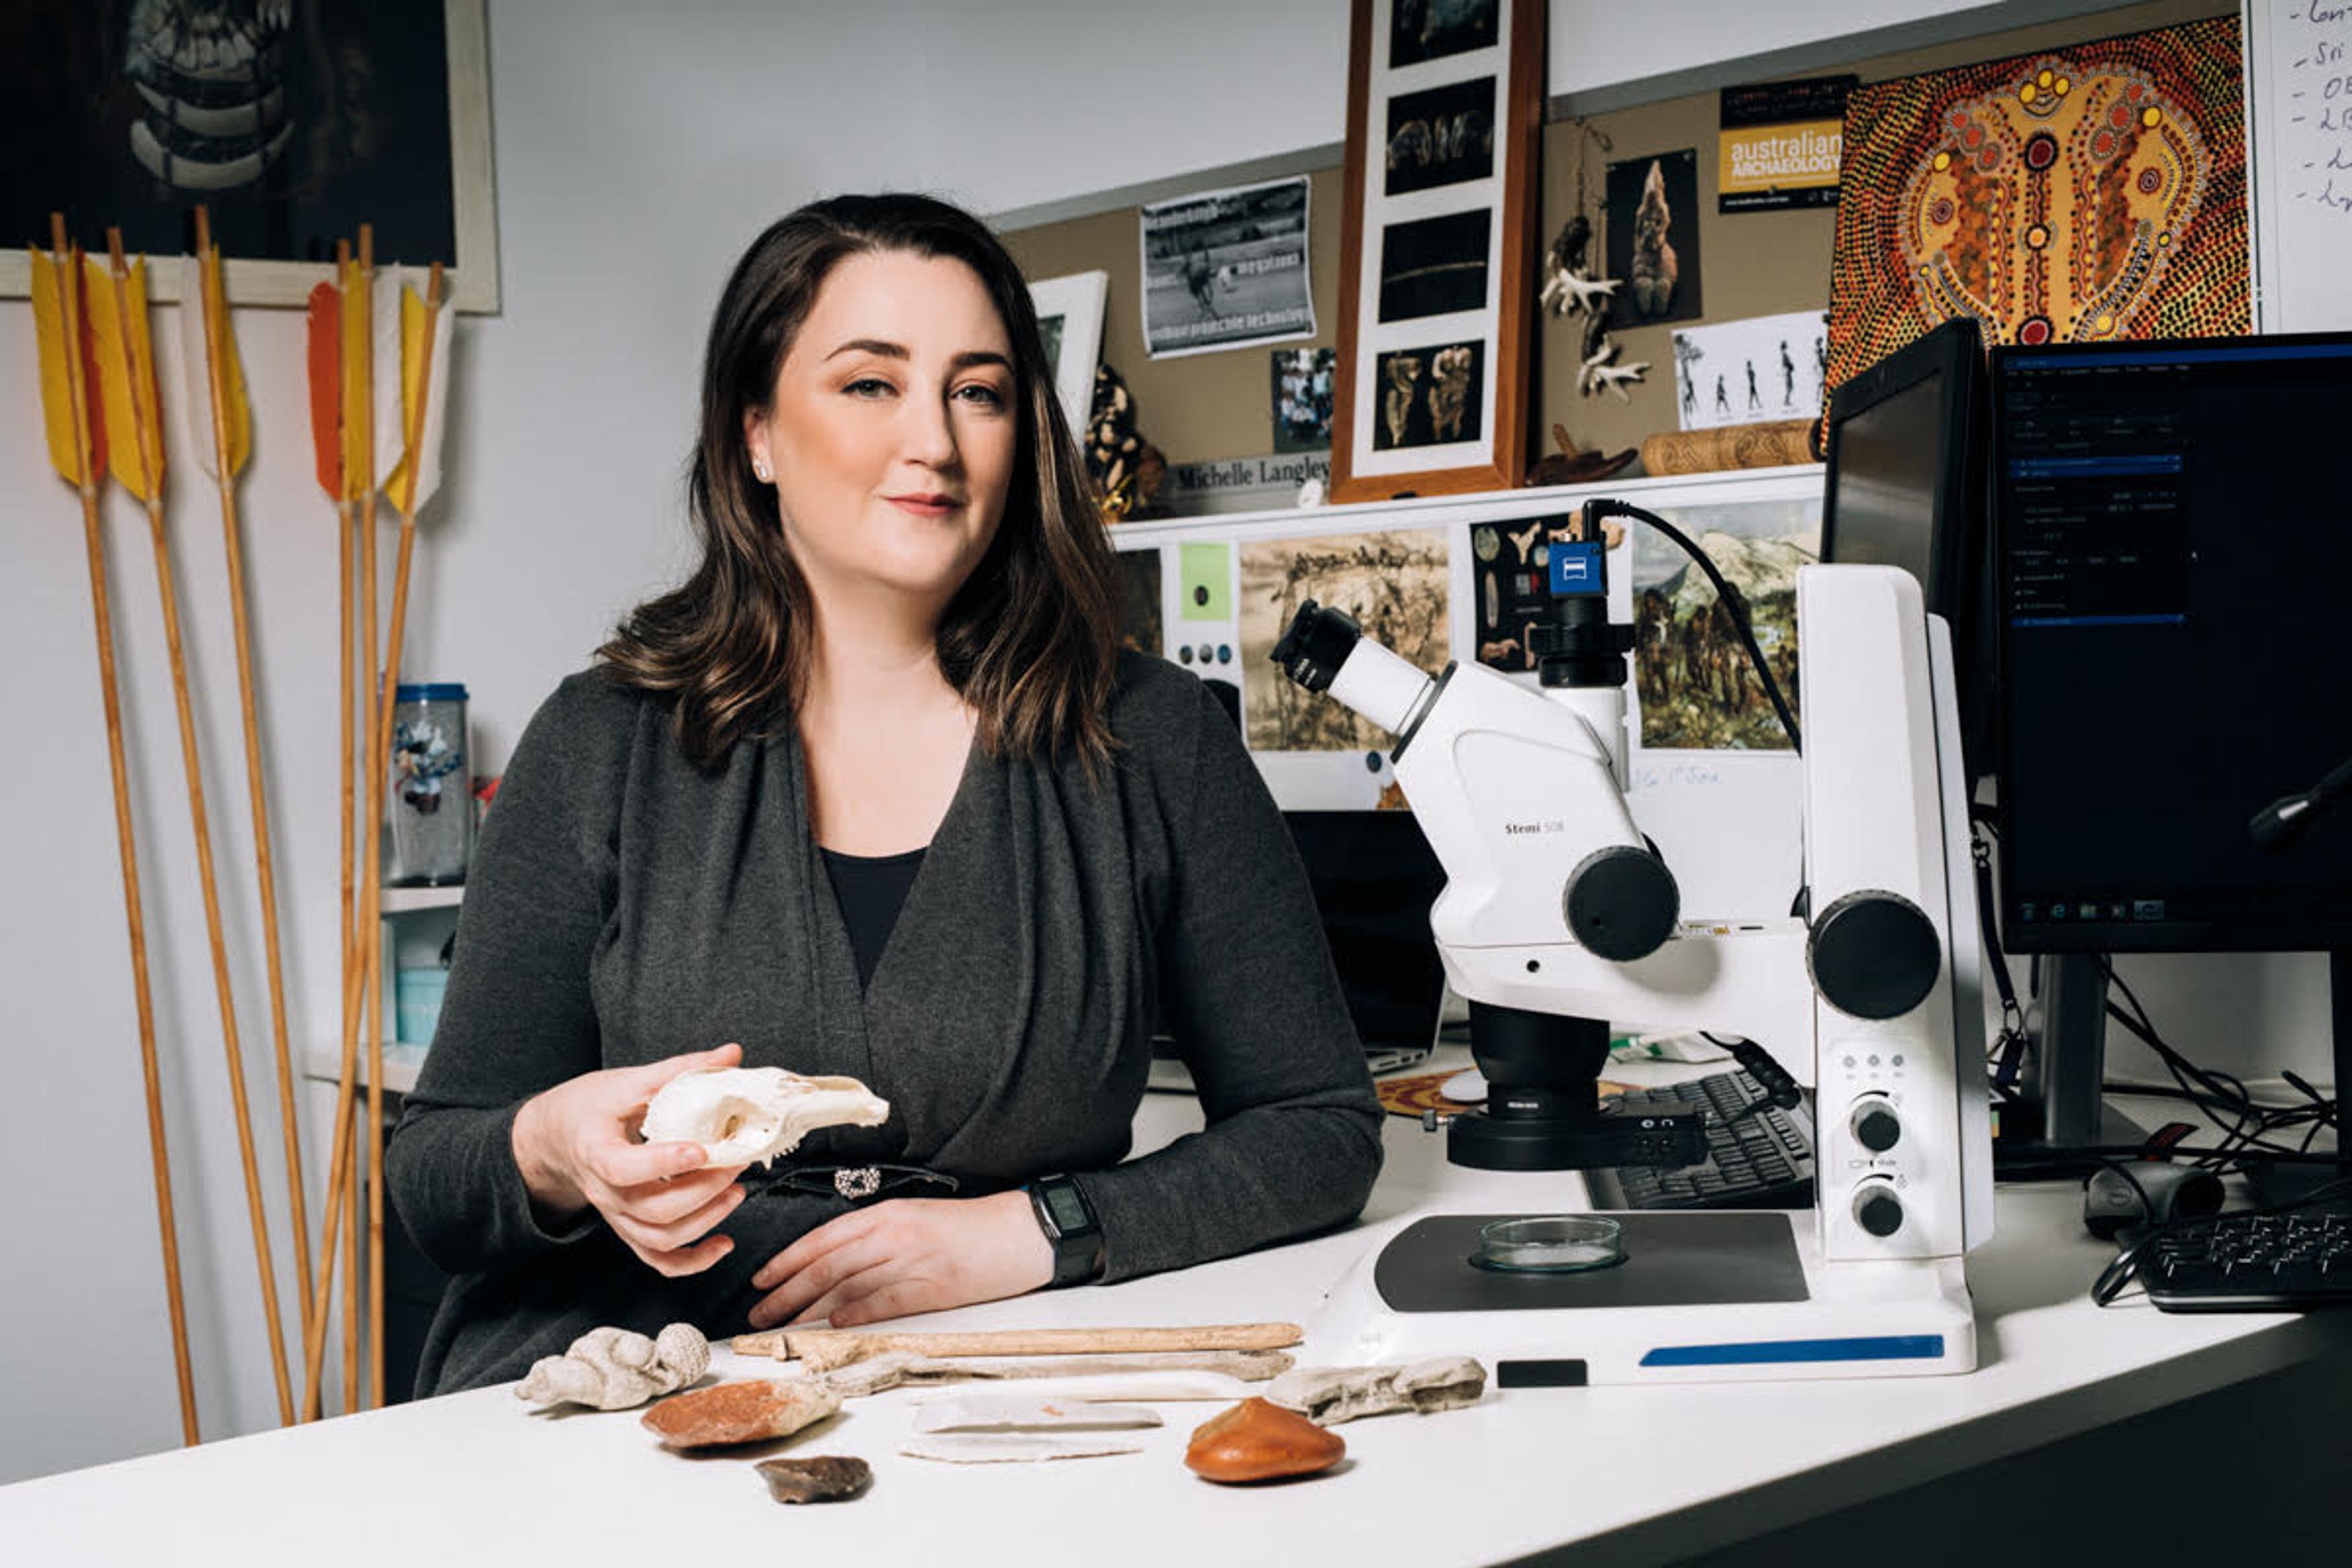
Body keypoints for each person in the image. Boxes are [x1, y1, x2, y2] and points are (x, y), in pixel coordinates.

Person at [385, 194, 1385, 1396]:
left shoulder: (1152, 738)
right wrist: (551, 1147)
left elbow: (1319, 1129)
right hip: (621, 1394)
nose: (938, 443)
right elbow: (434, 1176)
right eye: (871, 385)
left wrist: (1032, 1230)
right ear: (755, 432)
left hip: (983, 1396)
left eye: (980, 391)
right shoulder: (604, 743)